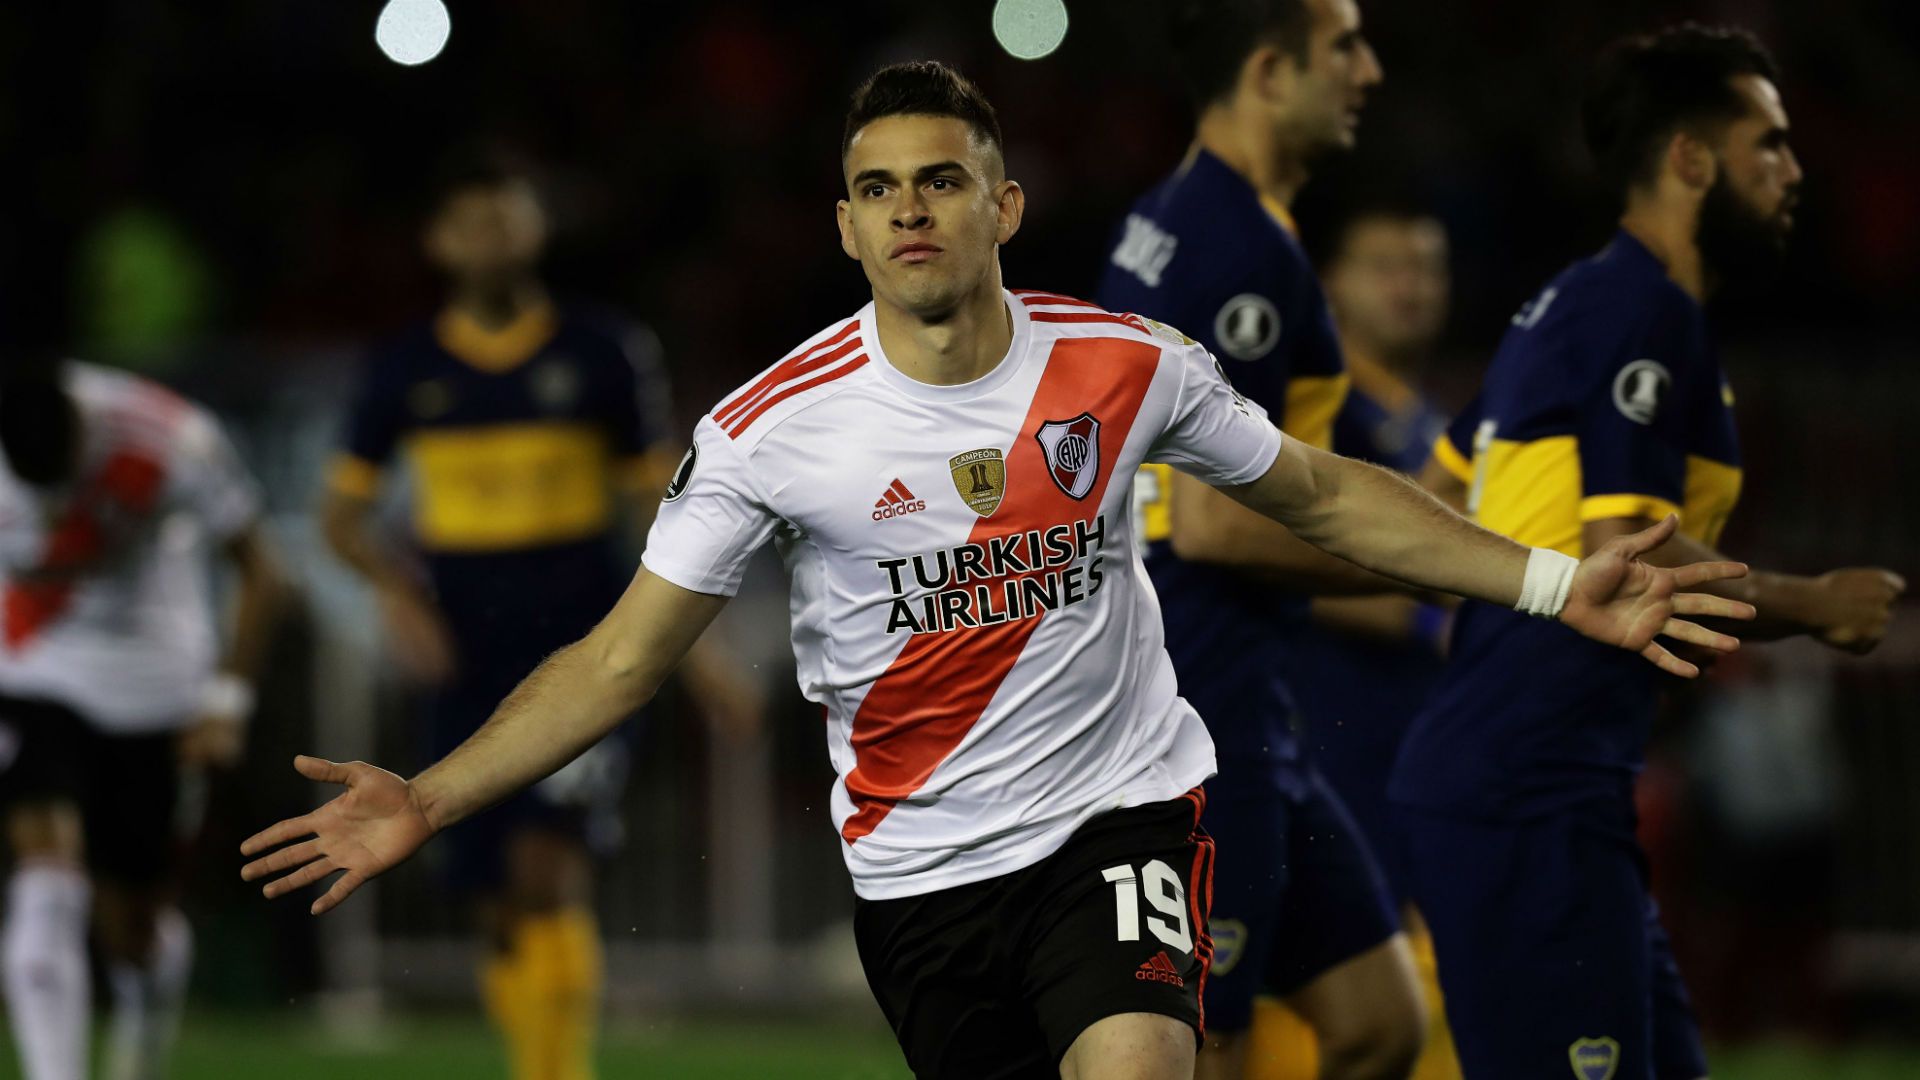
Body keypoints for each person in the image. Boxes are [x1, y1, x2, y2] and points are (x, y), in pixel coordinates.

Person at [247, 61, 1752, 1080]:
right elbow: (619, 656)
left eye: (944, 180)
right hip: (921, 875)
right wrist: (430, 793)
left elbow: (1328, 500)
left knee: (1148, 1063)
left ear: (1000, 209)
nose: (913, 206)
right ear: (844, 226)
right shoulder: (771, 429)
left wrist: (1557, 580)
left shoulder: (1117, 363)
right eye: (881, 186)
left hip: (1122, 816)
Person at [1389, 25, 1905, 1080]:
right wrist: (1817, 602)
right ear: (1690, 158)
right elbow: (1633, 563)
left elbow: (1427, 504)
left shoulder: (1569, 306)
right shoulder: (1641, 312)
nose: (1794, 170)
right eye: (1769, 143)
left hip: (1539, 785)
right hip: (1528, 791)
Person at [317, 156, 739, 1080]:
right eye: (470, 224)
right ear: (438, 242)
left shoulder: (600, 351)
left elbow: (666, 506)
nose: (490, 240)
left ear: (535, 229)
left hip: (579, 650)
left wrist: (688, 651)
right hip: (462, 652)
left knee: (547, 868)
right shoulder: (404, 368)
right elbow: (339, 520)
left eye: (505, 220)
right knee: (492, 897)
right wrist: (397, 594)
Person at [1097, 3, 1427, 1077]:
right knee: (1209, 1047)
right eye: (1346, 48)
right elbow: (1216, 520)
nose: (1370, 72)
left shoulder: (1171, 218)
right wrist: (1434, 560)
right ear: (1271, 72)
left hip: (1250, 701)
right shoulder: (1238, 249)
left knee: (1381, 1022)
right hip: (1205, 710)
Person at [0, 358, 283, 1080]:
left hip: (151, 685)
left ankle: (142, 1050)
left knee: (133, 931)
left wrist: (227, 702)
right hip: (31, 666)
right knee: (46, 870)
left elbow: (262, 569)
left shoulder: (164, 438)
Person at [1246, 202, 1463, 1080]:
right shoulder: (1324, 415)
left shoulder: (1420, 417)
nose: (1410, 288)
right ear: (1332, 282)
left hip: (1405, 746)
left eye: (1427, 267)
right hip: (1331, 732)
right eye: (1386, 266)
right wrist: (1438, 611)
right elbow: (1274, 550)